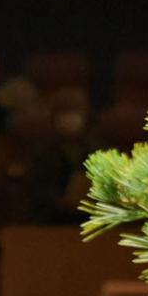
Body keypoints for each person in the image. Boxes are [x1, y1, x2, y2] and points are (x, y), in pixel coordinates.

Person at [23, 88, 97, 224]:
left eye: (76, 111)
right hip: (51, 223)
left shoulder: (97, 151)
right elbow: (35, 190)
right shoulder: (42, 153)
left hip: (90, 222)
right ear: (53, 117)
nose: (71, 117)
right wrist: (58, 202)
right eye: (65, 111)